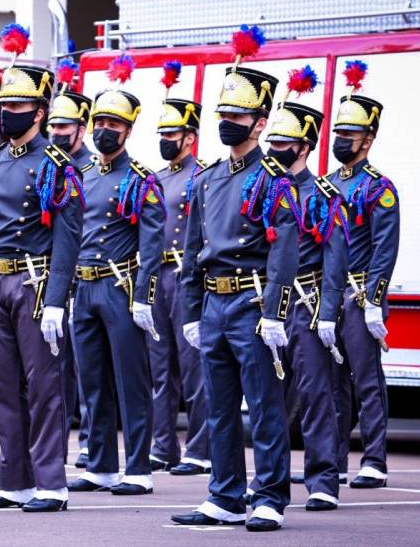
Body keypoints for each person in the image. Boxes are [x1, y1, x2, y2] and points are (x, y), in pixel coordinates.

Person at [0, 62, 84, 512]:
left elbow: (67, 238)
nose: (9, 113)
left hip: (34, 282)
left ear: (40, 112)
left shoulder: (56, 165)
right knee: (4, 385)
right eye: (5, 105)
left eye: (19, 105)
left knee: (44, 386)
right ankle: (14, 481)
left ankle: (51, 483)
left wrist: (57, 301)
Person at [171, 60, 299, 531]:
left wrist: (275, 312)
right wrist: (190, 311)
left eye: (238, 116)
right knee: (216, 406)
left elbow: (285, 252)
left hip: (250, 303)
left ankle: (268, 496)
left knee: (264, 404)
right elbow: (190, 252)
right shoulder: (205, 179)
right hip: (212, 304)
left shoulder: (273, 179)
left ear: (260, 123)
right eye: (223, 113)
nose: (227, 123)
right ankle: (224, 495)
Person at [67, 72, 164, 496]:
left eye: (114, 125)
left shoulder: (141, 179)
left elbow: (153, 245)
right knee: (92, 381)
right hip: (82, 288)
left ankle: (138, 467)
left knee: (131, 381)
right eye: (100, 124)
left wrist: (144, 297)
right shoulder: (82, 173)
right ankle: (102, 464)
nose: (105, 131)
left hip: (119, 287)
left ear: (128, 130)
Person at [267, 96, 347, 510]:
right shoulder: (263, 187)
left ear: (304, 146)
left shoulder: (324, 195)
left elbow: (336, 258)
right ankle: (270, 480)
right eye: (273, 141)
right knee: (267, 398)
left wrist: (330, 310)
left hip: (307, 301)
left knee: (316, 395)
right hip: (266, 304)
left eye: (284, 143)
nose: (275, 149)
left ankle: (322, 481)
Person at [330, 62, 399, 490]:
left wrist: (374, 300)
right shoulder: (327, 183)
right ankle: (334, 459)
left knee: (367, 379)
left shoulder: (378, 187)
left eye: (349, 136)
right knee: (332, 383)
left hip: (359, 296)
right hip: (329, 294)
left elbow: (384, 250)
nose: (340, 141)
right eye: (338, 134)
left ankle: (374, 459)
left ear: (368, 139)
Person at [150, 94, 211, 476]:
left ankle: (200, 448)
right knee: (159, 369)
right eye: (162, 133)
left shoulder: (202, 176)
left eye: (172, 133)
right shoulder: (156, 178)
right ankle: (163, 446)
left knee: (194, 369)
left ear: (190, 137)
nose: (165, 139)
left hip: (187, 278)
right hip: (159, 276)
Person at [46, 70, 95, 468]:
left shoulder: (92, 170)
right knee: (54, 369)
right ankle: (56, 441)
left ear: (82, 129)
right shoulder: (45, 167)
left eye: (64, 127)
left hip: (89, 280)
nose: (57, 133)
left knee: (90, 370)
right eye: (52, 126)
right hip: (50, 280)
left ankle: (91, 441)